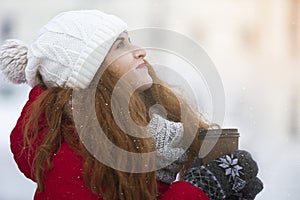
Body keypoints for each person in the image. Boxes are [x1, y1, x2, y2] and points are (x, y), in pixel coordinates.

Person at [0, 10, 263, 200]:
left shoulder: (142, 128)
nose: (140, 51)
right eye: (119, 45)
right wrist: (198, 191)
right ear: (90, 75)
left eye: (129, 40)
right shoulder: (70, 158)